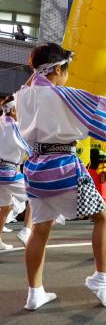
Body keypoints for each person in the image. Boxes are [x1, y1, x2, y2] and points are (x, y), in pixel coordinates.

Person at [16, 42, 106, 310]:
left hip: (34, 171)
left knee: (39, 229)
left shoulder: (22, 96)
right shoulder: (63, 95)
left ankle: (35, 293)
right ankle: (101, 281)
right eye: (65, 70)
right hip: (63, 169)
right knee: (104, 217)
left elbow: (33, 82)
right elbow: (100, 104)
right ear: (56, 70)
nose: (67, 76)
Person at [0, 96, 31, 250]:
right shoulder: (17, 127)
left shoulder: (1, 122)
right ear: (13, 111)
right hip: (8, 172)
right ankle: (27, 230)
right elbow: (30, 149)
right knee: (35, 195)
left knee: (5, 207)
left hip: (2, 173)